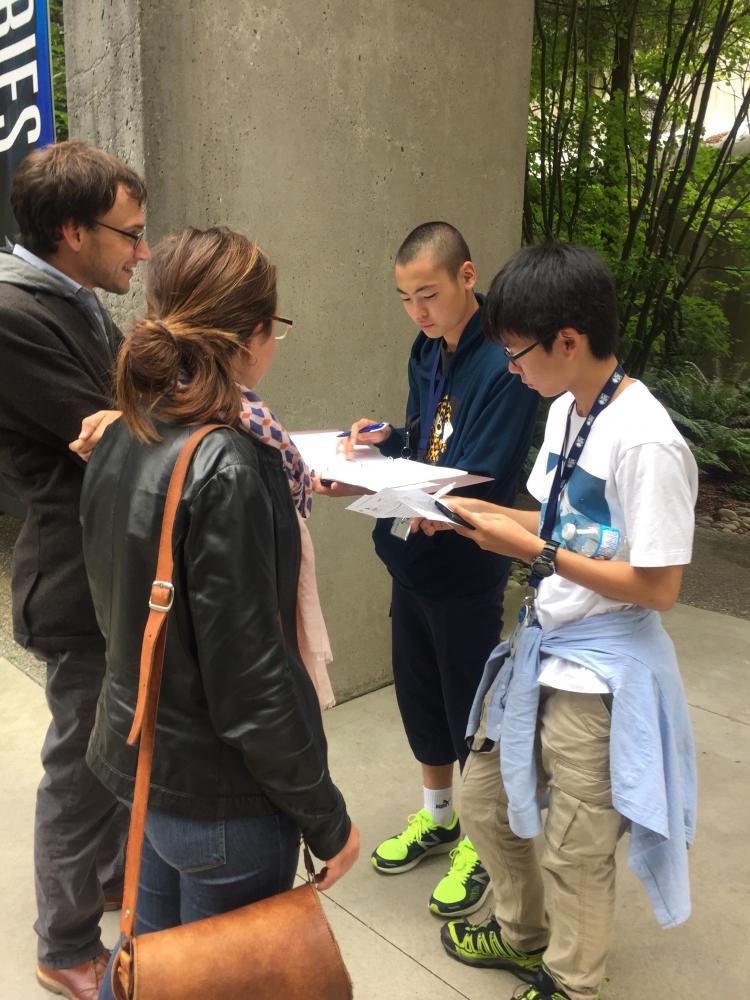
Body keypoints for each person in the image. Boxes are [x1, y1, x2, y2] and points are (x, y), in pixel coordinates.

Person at [78, 226, 360, 1000]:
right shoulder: (230, 461)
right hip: (222, 803)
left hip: (143, 764)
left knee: (152, 970)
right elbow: (253, 683)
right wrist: (326, 818)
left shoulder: (122, 430)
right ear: (254, 335)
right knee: (212, 983)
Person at [416, 242, 698, 1000]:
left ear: (568, 340)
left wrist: (534, 552)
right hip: (544, 644)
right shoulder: (568, 410)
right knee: (484, 801)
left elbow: (660, 586)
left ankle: (572, 981)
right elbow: (555, 525)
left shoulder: (646, 439)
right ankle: (521, 932)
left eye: (516, 353)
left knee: (577, 844)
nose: (510, 368)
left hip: (602, 669)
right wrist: (472, 513)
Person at [318, 222, 537, 918]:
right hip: (411, 552)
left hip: (466, 559)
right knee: (419, 694)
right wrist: (387, 440)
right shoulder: (426, 348)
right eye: (406, 298)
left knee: (468, 703)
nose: (419, 311)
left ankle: (481, 841)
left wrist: (394, 483)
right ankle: (440, 816)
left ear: (467, 276)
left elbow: (483, 470)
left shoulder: (505, 360)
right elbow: (428, 438)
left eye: (430, 294)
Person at [0, 141, 150, 998]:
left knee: (113, 752)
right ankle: (63, 945)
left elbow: (139, 403)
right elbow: (122, 433)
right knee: (83, 767)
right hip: (75, 579)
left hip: (109, 573)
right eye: (128, 233)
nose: (141, 250)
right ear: (71, 231)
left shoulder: (76, 298)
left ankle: (105, 880)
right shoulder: (13, 315)